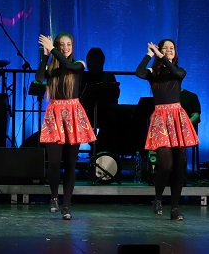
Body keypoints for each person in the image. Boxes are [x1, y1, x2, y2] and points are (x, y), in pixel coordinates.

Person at [134, 39, 199, 221]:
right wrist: (149, 55)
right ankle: (158, 198)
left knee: (179, 166)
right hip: (161, 119)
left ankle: (175, 208)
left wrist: (162, 56)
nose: (169, 50)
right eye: (165, 48)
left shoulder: (179, 70)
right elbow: (138, 72)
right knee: (166, 165)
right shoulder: (153, 72)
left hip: (177, 118)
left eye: (171, 48)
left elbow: (176, 74)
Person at [36, 32, 96, 221]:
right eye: (61, 44)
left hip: (72, 115)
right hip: (54, 115)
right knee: (54, 162)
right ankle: (54, 197)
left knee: (71, 163)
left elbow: (68, 66)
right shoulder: (52, 68)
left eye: (68, 44)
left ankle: (67, 205)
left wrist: (53, 49)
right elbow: (39, 77)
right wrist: (46, 55)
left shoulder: (79, 64)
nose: (65, 48)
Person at [80, 47, 120, 128]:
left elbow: (115, 95)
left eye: (96, 59)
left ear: (101, 61)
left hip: (105, 112)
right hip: (87, 112)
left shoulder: (108, 76)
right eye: (91, 59)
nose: (93, 62)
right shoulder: (83, 76)